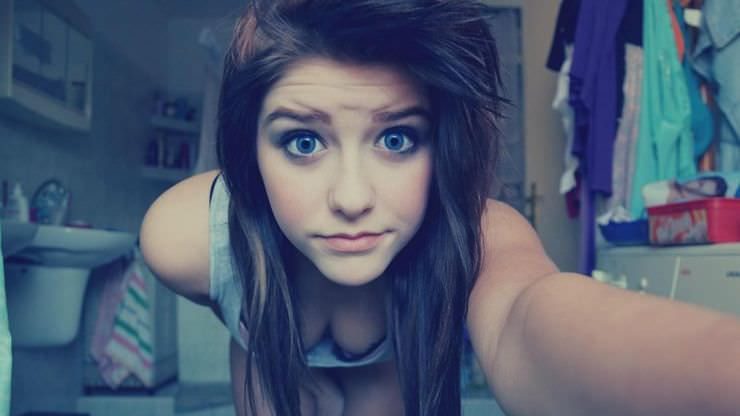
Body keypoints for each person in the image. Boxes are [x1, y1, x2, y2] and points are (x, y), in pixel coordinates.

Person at [139, 1, 740, 415]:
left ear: (443, 143)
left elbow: (529, 323)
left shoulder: (478, 232)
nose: (352, 198)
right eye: (302, 142)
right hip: (270, 358)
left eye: (396, 138)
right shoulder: (186, 238)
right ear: (250, 153)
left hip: (390, 376)